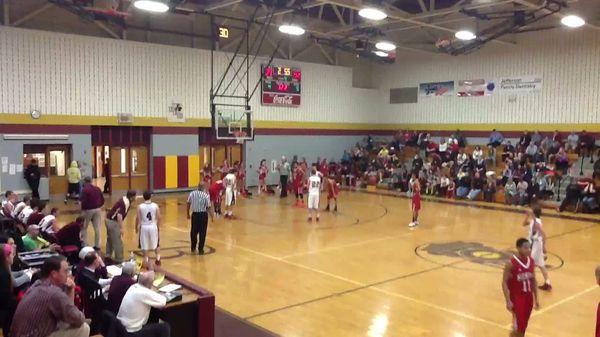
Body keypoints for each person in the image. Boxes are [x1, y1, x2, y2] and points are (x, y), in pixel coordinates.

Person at [10, 255, 89, 337]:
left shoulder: (37, 284)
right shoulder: (54, 293)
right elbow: (78, 319)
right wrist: (72, 289)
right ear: (54, 274)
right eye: (66, 271)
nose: (68, 274)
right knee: (84, 327)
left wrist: (70, 289)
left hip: (20, 333)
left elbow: (69, 314)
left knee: (67, 322)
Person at [502, 238, 540, 337]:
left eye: (529, 248)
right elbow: (504, 282)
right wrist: (508, 300)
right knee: (519, 325)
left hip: (528, 297)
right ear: (518, 248)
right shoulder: (511, 263)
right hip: (517, 297)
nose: (528, 250)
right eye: (525, 248)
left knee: (523, 326)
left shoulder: (531, 261)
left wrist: (536, 298)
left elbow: (533, 280)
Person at [117, 271, 170, 337]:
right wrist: (152, 291)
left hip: (120, 328)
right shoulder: (144, 293)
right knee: (165, 327)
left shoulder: (133, 287)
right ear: (150, 284)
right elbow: (163, 301)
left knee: (152, 315)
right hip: (131, 332)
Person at [523, 206, 551, 291]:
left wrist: (543, 246)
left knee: (530, 263)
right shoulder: (533, 221)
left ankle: (530, 283)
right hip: (534, 243)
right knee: (541, 265)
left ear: (534, 213)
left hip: (536, 244)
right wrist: (527, 216)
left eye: (531, 210)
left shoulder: (537, 222)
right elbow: (524, 224)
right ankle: (548, 283)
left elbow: (543, 234)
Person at [105, 190, 136, 263]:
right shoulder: (126, 203)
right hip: (113, 222)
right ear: (132, 197)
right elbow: (119, 215)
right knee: (117, 242)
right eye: (135, 196)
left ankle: (107, 255)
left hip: (108, 220)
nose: (135, 198)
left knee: (110, 240)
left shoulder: (124, 198)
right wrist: (121, 228)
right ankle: (119, 260)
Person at [186, 183, 213, 255]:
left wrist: (187, 213)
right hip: (203, 215)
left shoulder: (192, 194)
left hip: (194, 215)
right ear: (203, 187)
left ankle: (193, 247)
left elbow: (188, 203)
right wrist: (211, 216)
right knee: (202, 233)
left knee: (193, 232)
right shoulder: (206, 195)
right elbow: (208, 207)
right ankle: (201, 249)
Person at [136, 191, 161, 265]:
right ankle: (158, 259)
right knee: (157, 243)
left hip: (144, 227)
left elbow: (138, 218)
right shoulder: (155, 205)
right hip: (153, 226)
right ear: (150, 196)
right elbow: (159, 217)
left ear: (143, 197)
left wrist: (136, 227)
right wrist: (158, 226)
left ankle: (146, 260)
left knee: (144, 244)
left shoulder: (140, 206)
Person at [80, 176, 105, 247]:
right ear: (91, 181)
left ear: (85, 181)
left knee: (84, 227)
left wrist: (83, 209)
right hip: (97, 209)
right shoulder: (97, 189)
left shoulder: (85, 190)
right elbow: (102, 200)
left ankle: (84, 244)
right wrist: (98, 206)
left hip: (88, 210)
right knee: (97, 228)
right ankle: (97, 245)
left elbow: (82, 200)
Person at [0, 244, 17, 337]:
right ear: (6, 257)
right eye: (12, 254)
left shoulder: (4, 270)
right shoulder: (3, 275)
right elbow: (5, 300)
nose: (13, 256)